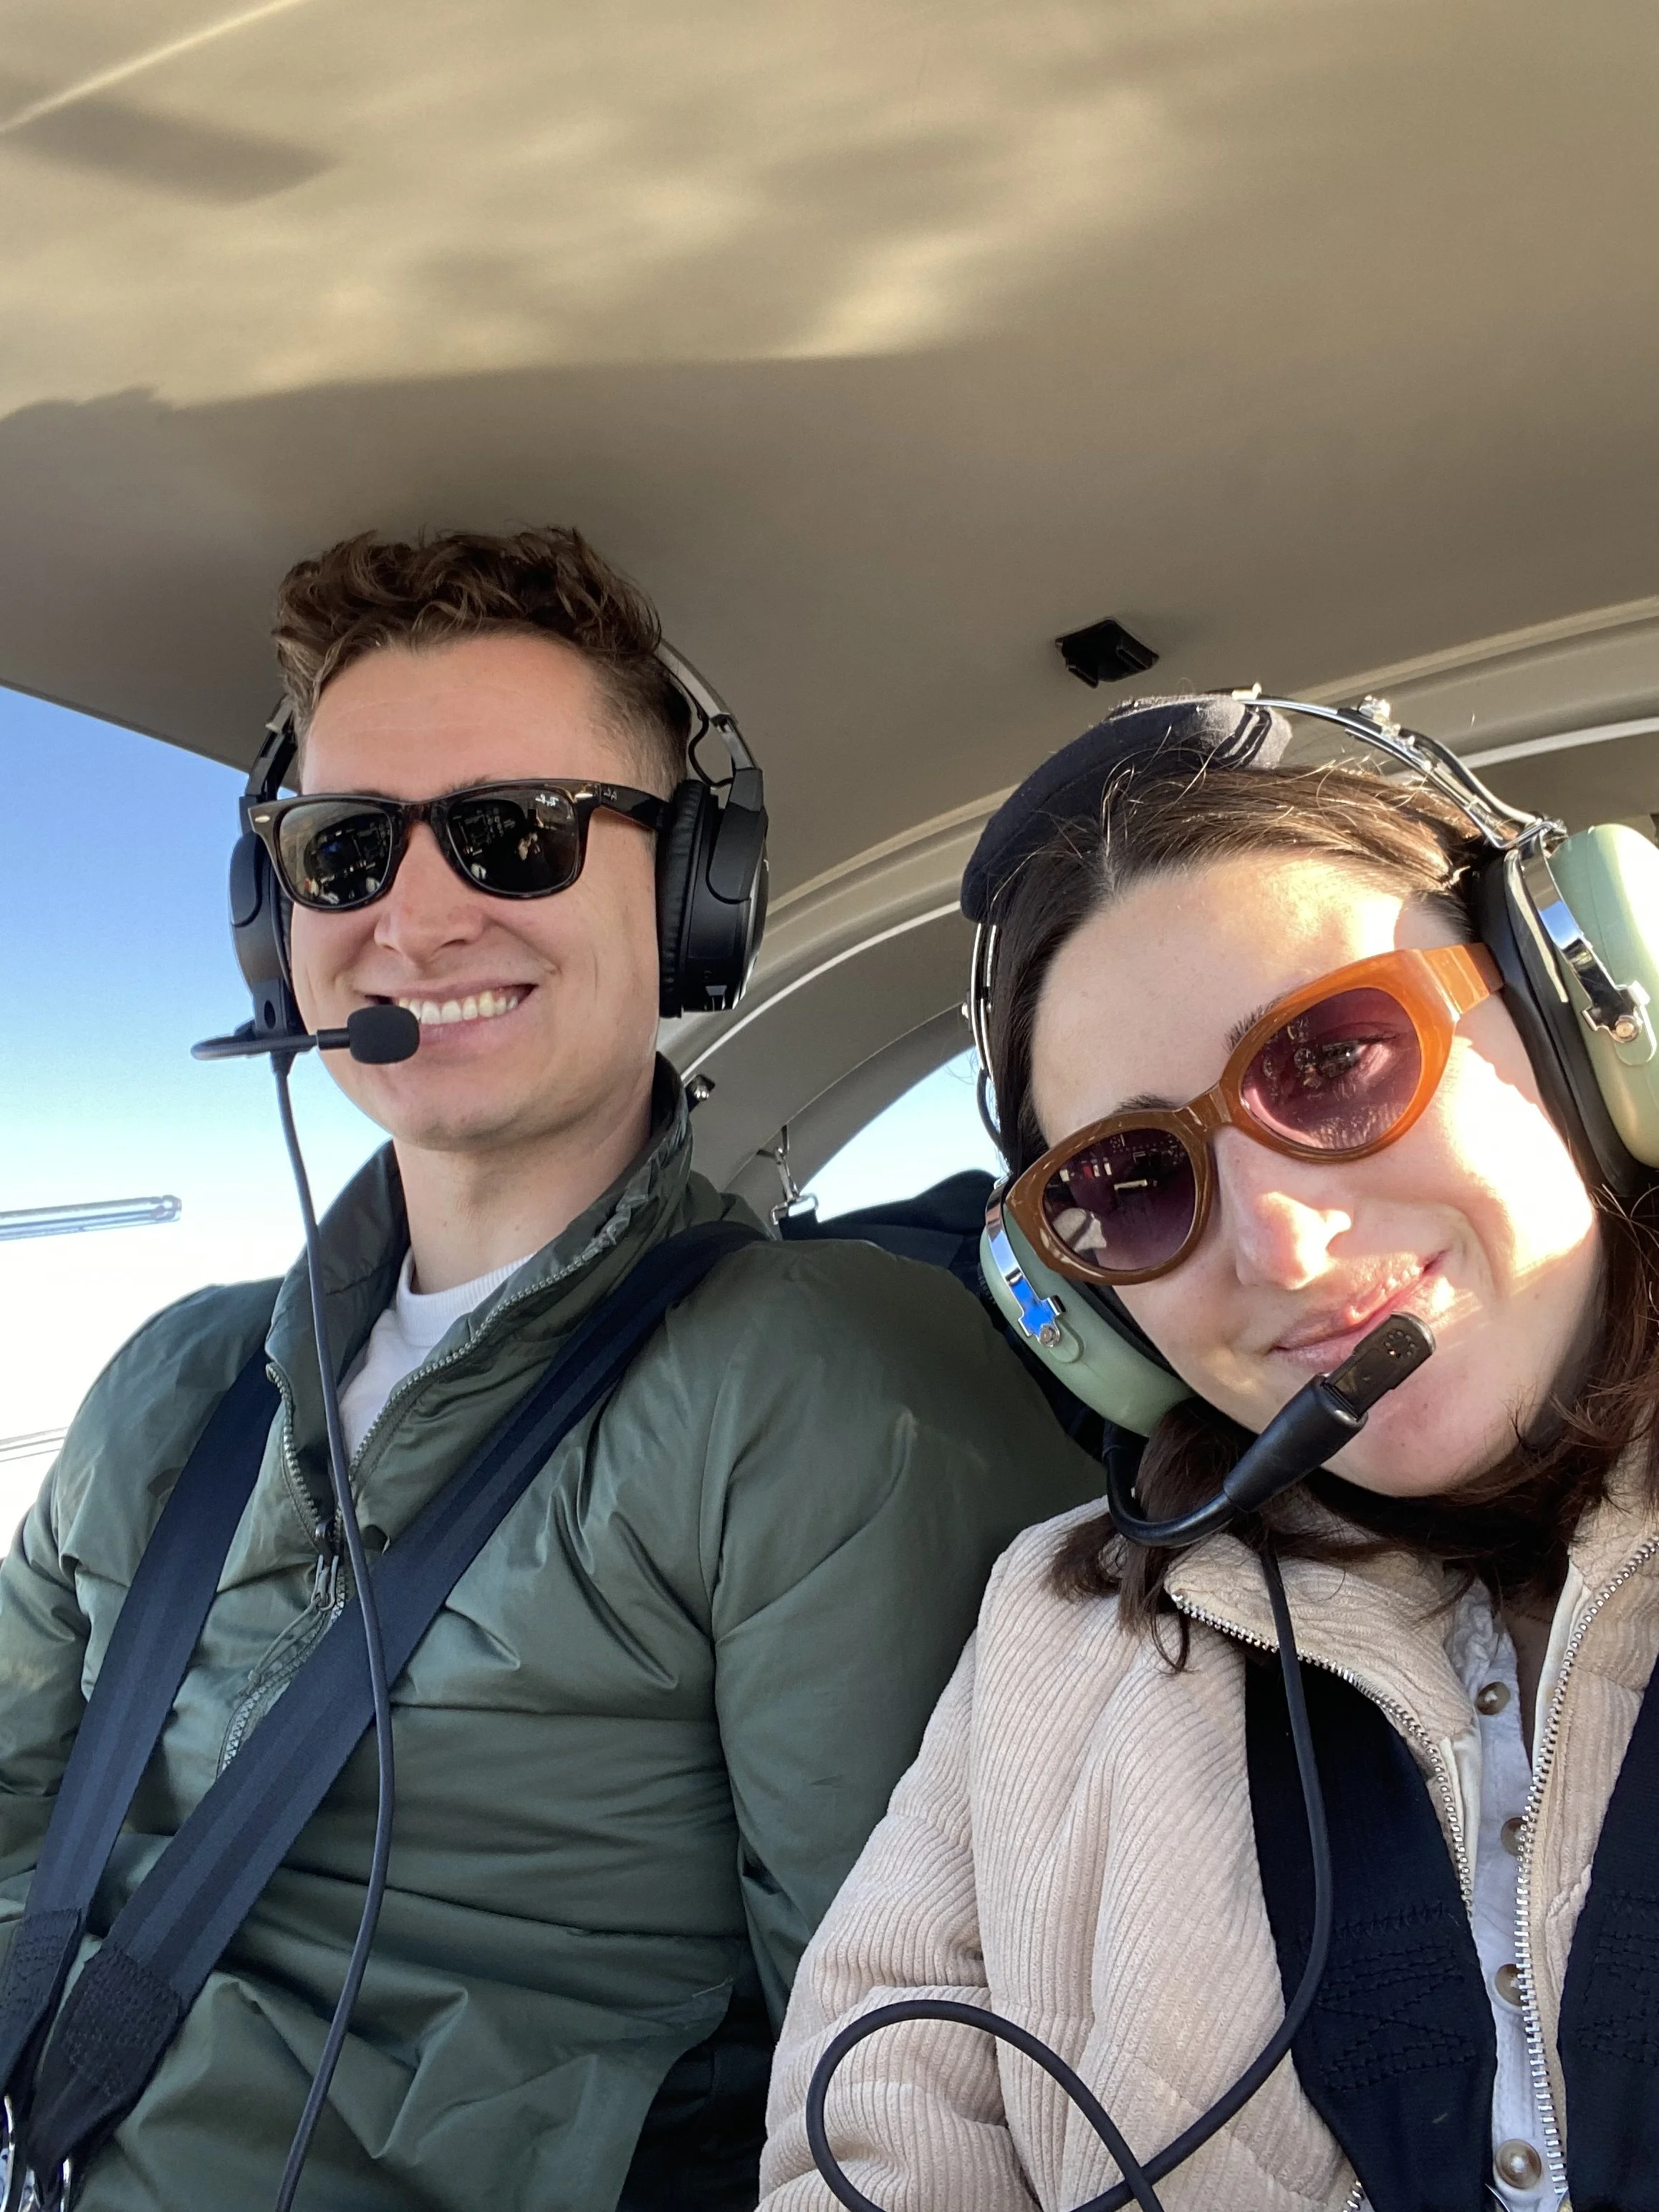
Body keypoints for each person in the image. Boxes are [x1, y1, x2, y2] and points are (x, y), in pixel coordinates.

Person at [0, 527, 1100, 2211]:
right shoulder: (180, 1376)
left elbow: (913, 2082)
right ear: (274, 918)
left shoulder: (815, 1382)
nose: (418, 914)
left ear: (693, 892)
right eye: (345, 847)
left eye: (514, 832)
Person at [760, 693, 1659, 2212]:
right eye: (1132, 1181)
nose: (1282, 1248)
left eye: (1334, 1057)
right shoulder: (1053, 1640)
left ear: (1580, 1006)